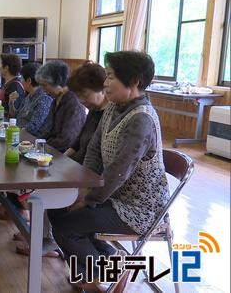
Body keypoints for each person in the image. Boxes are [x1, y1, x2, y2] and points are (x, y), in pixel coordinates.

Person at [48, 51, 169, 293]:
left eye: (111, 76)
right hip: (114, 197)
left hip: (140, 209)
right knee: (58, 209)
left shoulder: (141, 119)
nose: (105, 83)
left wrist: (87, 199)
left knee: (66, 227)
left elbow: (118, 172)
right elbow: (94, 150)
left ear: (133, 81)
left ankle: (100, 276)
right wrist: (82, 189)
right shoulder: (115, 107)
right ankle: (113, 263)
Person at [35, 60, 86, 153]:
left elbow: (67, 140)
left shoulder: (74, 103)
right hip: (50, 150)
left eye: (44, 85)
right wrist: (37, 144)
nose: (43, 90)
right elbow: (47, 130)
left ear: (57, 82)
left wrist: (43, 147)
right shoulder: (55, 100)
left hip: (63, 155)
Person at [64, 61, 108, 164]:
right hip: (77, 165)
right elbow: (78, 143)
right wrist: (62, 159)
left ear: (102, 88)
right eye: (78, 96)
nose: (81, 100)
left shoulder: (110, 115)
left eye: (84, 94)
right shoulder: (93, 111)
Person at [9, 62, 53, 135]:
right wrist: (11, 103)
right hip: (17, 133)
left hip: (30, 139)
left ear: (29, 81)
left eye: (21, 78)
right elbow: (16, 115)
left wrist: (13, 133)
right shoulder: (29, 95)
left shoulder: (44, 99)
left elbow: (33, 127)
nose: (20, 81)